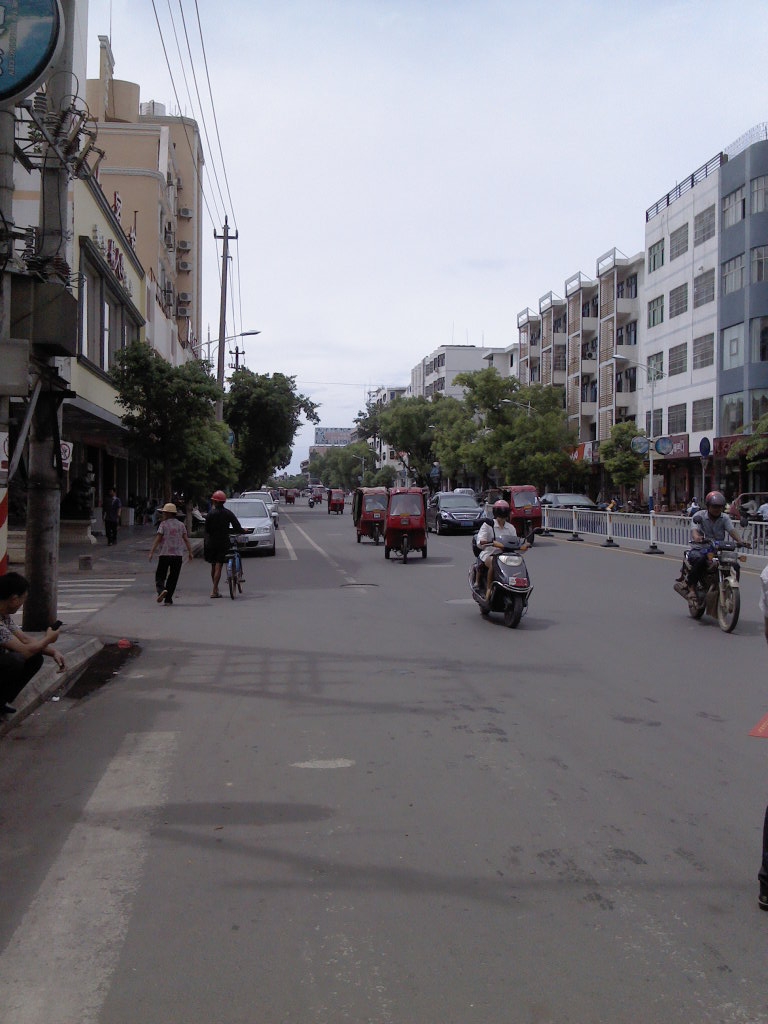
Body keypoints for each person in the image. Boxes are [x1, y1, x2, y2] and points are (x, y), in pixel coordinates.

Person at [0, 572, 65, 716]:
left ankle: (2, 701)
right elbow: (24, 651)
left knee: (35, 657)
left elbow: (24, 639)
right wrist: (48, 639)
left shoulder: (4, 615)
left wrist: (54, 652)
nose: (22, 604)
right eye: (23, 599)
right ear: (14, 599)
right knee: (16, 660)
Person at [677, 491, 743, 599]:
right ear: (708, 506)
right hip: (701, 548)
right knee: (700, 561)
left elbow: (731, 530)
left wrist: (740, 541)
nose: (717, 509)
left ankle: (730, 588)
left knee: (735, 565)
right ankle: (691, 588)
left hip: (718, 549)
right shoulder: (699, 516)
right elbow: (694, 530)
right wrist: (697, 537)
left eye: (720, 507)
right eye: (714, 506)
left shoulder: (725, 518)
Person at [148, 502, 194, 606]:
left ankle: (161, 590)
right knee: (173, 577)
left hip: (164, 554)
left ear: (168, 514)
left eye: (164, 513)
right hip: (177, 556)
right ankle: (168, 599)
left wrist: (151, 552)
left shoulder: (163, 524)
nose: (163, 515)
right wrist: (190, 552)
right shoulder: (181, 525)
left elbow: (158, 538)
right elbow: (186, 539)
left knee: (160, 575)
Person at [476, 499, 519, 601]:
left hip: (507, 555)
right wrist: (485, 541)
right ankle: (489, 588)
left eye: (504, 511)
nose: (502, 515)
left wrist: (524, 545)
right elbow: (480, 540)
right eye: (500, 511)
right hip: (490, 553)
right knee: (494, 562)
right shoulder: (488, 525)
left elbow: (515, 542)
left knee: (518, 561)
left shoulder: (511, 528)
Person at [204, 490, 244, 598]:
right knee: (219, 565)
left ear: (214, 501)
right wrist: (243, 531)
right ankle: (214, 590)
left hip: (211, 542)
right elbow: (237, 527)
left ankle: (215, 589)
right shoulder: (228, 513)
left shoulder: (210, 514)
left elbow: (206, 529)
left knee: (213, 565)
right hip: (223, 542)